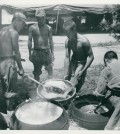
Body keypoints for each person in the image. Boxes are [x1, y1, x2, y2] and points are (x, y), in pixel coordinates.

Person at [0, 12, 26, 115]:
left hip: (1, 62)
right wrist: (20, 68)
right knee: (11, 92)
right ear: (16, 20)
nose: (23, 26)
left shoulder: (2, 30)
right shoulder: (14, 33)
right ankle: (10, 116)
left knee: (4, 89)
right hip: (8, 65)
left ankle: (4, 112)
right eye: (22, 23)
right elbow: (17, 52)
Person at [63, 20, 94, 93]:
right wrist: (66, 73)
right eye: (65, 33)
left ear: (74, 30)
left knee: (74, 84)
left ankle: (75, 100)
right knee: (66, 82)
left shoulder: (84, 41)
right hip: (73, 62)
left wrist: (83, 71)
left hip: (81, 64)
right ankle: (68, 100)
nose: (66, 35)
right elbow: (67, 57)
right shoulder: (68, 41)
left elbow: (91, 57)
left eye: (68, 33)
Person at [93, 51, 120, 130]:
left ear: (106, 60)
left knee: (110, 127)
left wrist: (96, 92)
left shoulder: (107, 69)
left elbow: (101, 91)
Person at [28, 8, 54, 81]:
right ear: (36, 18)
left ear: (45, 17)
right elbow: (29, 41)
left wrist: (52, 53)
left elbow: (51, 41)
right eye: (38, 18)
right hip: (36, 53)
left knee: (50, 70)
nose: (40, 20)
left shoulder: (49, 28)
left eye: (42, 18)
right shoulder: (32, 28)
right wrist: (30, 54)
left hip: (46, 52)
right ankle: (36, 87)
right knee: (36, 72)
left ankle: (51, 86)